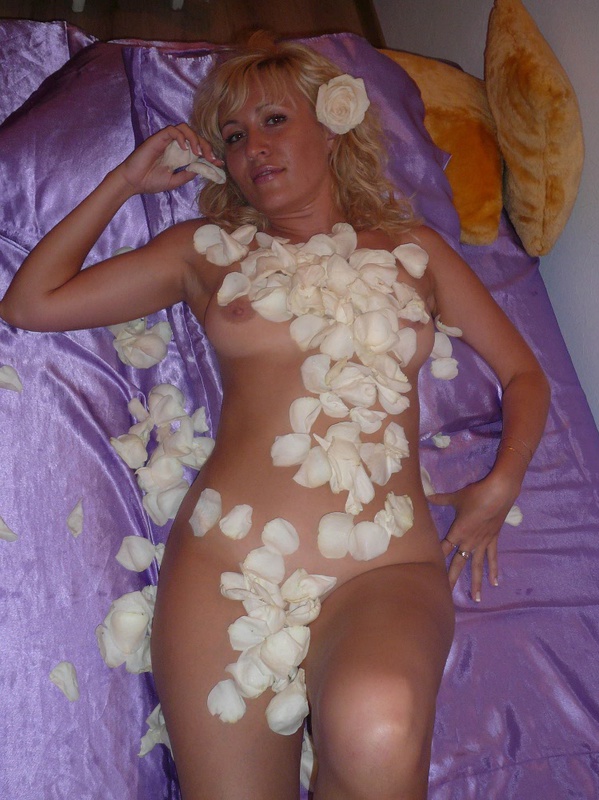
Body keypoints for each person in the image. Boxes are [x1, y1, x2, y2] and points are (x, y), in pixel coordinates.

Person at [0, 34, 549, 800]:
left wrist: (500, 484)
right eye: (232, 136)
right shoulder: (204, 252)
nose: (252, 147)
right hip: (224, 570)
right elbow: (30, 304)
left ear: (333, 125)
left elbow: (525, 375)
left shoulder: (414, 250)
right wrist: (126, 181)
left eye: (273, 121)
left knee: (379, 724)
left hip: (384, 570)